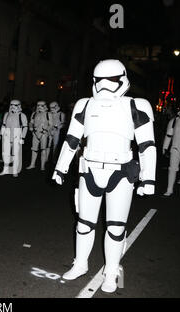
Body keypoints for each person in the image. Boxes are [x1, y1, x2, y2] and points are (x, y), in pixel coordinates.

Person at [52, 59, 156, 293]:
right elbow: (72, 139)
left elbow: (147, 144)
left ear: (122, 80)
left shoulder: (136, 105)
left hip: (120, 172)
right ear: (94, 82)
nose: (105, 86)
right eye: (100, 81)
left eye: (111, 81)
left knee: (115, 227)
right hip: (89, 169)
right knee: (84, 223)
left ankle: (111, 270)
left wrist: (149, 178)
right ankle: (80, 263)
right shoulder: (85, 105)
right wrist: (61, 168)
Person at [0, 99, 28, 177]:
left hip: (17, 135)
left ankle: (15, 170)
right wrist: (0, 134)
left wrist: (23, 138)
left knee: (15, 154)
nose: (12, 107)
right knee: (6, 154)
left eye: (15, 105)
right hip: (7, 135)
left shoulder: (22, 115)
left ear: (19, 106)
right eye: (11, 105)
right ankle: (5, 169)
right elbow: (4, 125)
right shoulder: (6, 114)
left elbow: (25, 127)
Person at [26, 101, 53, 170]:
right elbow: (31, 122)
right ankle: (32, 164)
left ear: (45, 106)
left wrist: (46, 130)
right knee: (34, 149)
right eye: (38, 105)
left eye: (41, 105)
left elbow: (51, 124)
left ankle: (42, 166)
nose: (39, 107)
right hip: (35, 133)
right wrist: (31, 128)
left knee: (43, 149)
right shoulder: (34, 114)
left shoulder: (48, 114)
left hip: (43, 133)